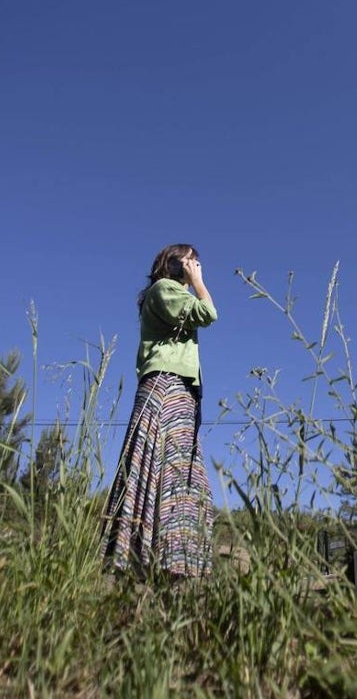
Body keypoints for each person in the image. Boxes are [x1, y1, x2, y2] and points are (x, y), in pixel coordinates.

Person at [103, 243, 218, 580]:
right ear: (173, 264)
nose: (197, 264)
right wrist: (198, 284)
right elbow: (208, 314)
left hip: (177, 391)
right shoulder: (164, 289)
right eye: (190, 260)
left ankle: (172, 560)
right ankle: (152, 559)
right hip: (166, 387)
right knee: (161, 472)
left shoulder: (171, 293)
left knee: (179, 478)